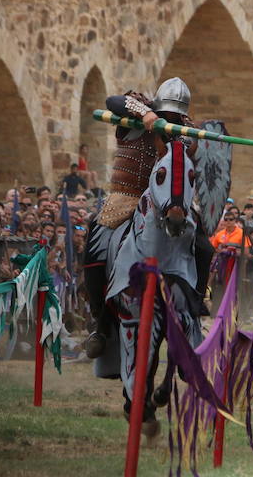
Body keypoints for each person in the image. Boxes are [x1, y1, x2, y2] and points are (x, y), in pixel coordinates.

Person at [83, 78, 214, 358]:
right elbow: (112, 102)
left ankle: (195, 310)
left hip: (169, 203)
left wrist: (189, 138)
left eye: (175, 116)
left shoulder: (184, 131)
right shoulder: (137, 108)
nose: (171, 119)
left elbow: (192, 158)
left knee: (204, 246)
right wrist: (146, 115)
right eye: (167, 114)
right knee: (95, 242)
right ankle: (100, 323)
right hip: (126, 197)